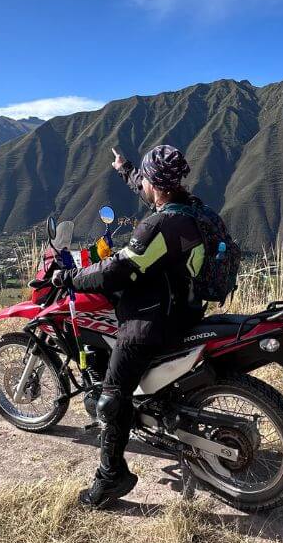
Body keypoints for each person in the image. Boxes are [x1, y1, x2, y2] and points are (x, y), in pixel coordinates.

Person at [50, 144, 206, 509]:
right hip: (185, 309)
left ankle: (110, 478)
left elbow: (116, 269)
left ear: (157, 184)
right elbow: (145, 184)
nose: (144, 185)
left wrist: (70, 278)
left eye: (146, 180)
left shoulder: (158, 224)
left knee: (110, 398)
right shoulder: (190, 210)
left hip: (152, 320)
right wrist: (125, 169)